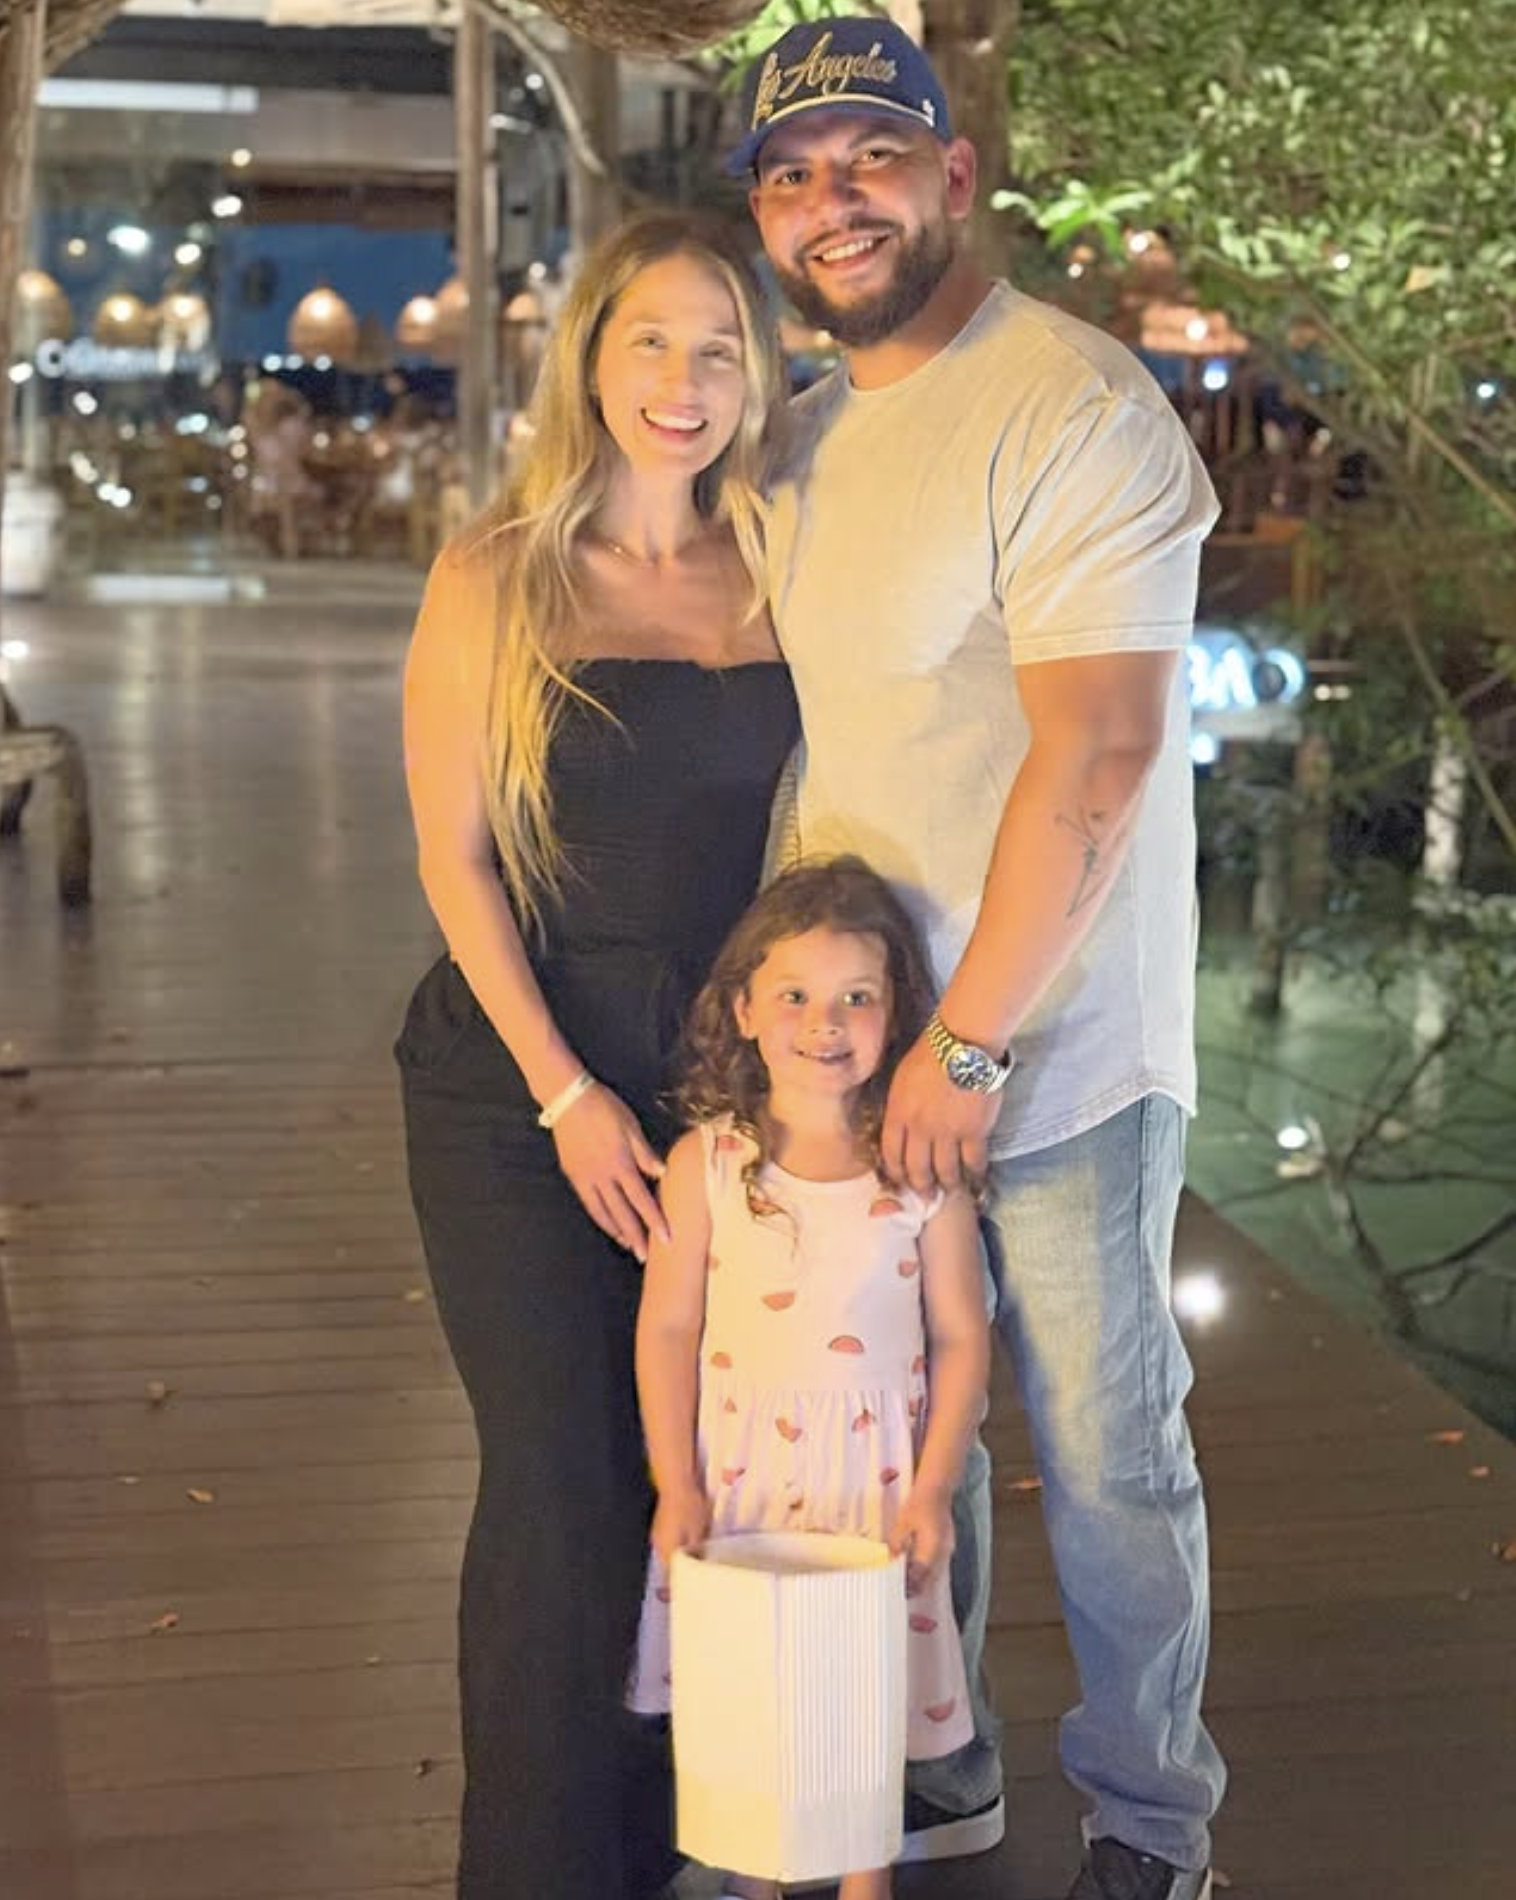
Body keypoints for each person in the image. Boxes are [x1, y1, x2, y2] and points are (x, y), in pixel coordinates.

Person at [727, 18, 1227, 1900]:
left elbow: (1094, 763)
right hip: (861, 1049)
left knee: (1106, 1458)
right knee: (899, 1427)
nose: (830, 200)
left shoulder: (1074, 409)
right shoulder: (809, 434)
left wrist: (972, 1045)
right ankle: (945, 1774)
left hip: (1056, 1046)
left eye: (867, 156)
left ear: (952, 172)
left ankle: (1153, 1824)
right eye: (790, 174)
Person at [395, 210, 799, 1900]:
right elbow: (455, 860)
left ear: (760, 380)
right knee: (565, 1489)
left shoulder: (784, 565)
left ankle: (688, 1853)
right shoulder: (497, 570)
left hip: (722, 1100)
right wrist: (565, 1092)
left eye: (720, 349)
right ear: (592, 356)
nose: (682, 381)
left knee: (693, 1486)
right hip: (518, 1085)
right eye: (652, 341)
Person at [630, 856, 991, 1900]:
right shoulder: (705, 1164)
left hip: (877, 1482)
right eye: (792, 993)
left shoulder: (921, 1167)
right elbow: (666, 1327)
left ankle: (862, 1877)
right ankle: (754, 1864)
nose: (822, 1021)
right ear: (741, 1008)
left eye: (855, 998)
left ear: (895, 1017)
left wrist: (933, 1487)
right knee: (754, 1674)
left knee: (858, 1684)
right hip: (738, 1475)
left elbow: (963, 1336)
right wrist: (676, 1480)